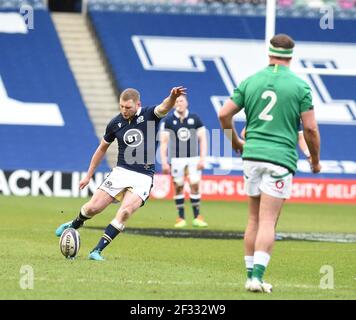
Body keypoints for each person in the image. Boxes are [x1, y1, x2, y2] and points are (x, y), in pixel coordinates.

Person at [218, 34, 321, 293]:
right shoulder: (300, 86)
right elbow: (310, 128)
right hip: (280, 159)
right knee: (268, 221)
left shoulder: (251, 81)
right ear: (291, 56)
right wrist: (315, 161)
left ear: (269, 54)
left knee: (253, 218)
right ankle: (257, 278)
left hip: (251, 156)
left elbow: (223, 113)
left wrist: (234, 143)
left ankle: (250, 275)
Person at [55, 86, 187, 261]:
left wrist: (172, 97)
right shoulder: (115, 123)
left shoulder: (149, 115)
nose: (124, 111)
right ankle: (74, 224)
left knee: (124, 212)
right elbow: (101, 149)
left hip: (143, 176)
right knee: (93, 208)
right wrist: (88, 175)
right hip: (121, 172)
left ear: (137, 104)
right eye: (121, 107)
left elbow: (164, 106)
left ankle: (97, 251)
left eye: (128, 107)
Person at [160, 94, 208, 228]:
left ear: (186, 102)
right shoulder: (168, 120)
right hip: (176, 159)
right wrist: (164, 162)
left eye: (181, 100)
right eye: (176, 101)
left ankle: (197, 216)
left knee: (195, 185)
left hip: (193, 158)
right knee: (178, 186)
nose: (179, 103)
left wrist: (203, 158)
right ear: (174, 104)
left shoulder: (195, 118)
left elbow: (203, 139)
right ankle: (180, 218)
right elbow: (164, 142)